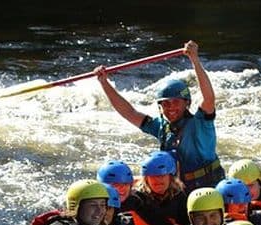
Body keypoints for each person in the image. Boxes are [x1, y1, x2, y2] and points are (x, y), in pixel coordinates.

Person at [95, 40, 224, 191]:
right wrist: (104, 82)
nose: (171, 108)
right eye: (166, 104)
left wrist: (194, 60)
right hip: (178, 187)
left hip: (207, 185)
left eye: (176, 102)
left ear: (187, 103)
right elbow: (129, 112)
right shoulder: (161, 126)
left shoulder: (200, 123)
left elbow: (209, 98)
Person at [132, 150, 189, 225]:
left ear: (170, 177)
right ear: (146, 179)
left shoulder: (180, 196)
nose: (158, 180)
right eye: (153, 176)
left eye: (162, 176)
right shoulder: (138, 199)